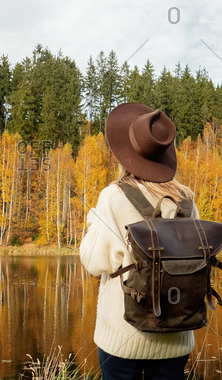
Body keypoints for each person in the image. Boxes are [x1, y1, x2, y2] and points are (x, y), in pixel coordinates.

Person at [79, 103, 199, 380]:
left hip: (123, 338)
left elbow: (94, 262)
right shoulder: (186, 201)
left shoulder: (113, 196)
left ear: (124, 155)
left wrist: (93, 223)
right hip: (176, 336)